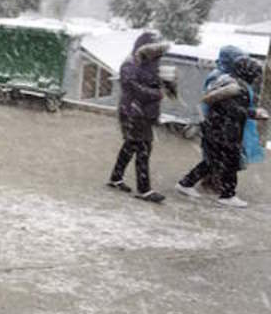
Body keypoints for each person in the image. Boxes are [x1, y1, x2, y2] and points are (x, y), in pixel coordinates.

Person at [177, 56, 266, 208]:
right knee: (230, 162)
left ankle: (186, 183)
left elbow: (225, 108)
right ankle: (227, 195)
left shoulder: (226, 81)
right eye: (255, 74)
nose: (256, 78)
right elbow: (233, 111)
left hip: (215, 128)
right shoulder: (239, 88)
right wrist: (254, 113)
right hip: (226, 132)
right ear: (248, 73)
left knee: (212, 162)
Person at [107, 31, 172, 203]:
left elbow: (150, 83)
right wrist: (156, 94)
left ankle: (115, 178)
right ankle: (144, 189)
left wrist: (168, 84)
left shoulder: (149, 64)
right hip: (133, 112)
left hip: (141, 113)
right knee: (143, 148)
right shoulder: (130, 65)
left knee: (130, 146)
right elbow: (132, 88)